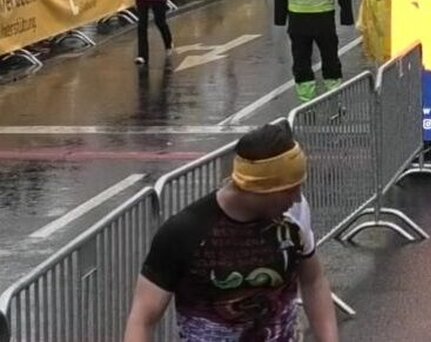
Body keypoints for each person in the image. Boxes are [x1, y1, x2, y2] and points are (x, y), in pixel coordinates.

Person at [123, 122, 339, 342]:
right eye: (289, 191)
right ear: (261, 188)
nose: (296, 198)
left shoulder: (294, 212)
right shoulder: (184, 232)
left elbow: (313, 281)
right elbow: (142, 319)